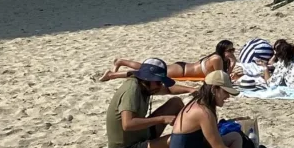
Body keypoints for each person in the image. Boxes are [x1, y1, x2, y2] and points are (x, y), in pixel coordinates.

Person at [168, 71, 278, 148]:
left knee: (235, 137)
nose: (228, 96)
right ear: (214, 89)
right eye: (225, 92)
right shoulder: (203, 112)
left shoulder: (202, 104)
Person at [105, 59, 186, 148]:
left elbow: (168, 90)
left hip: (140, 135)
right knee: (174, 139)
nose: (159, 85)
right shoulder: (131, 90)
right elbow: (127, 124)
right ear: (148, 79)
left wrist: (192, 90)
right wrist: (162, 119)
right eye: (158, 82)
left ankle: (191, 134)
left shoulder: (144, 86)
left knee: (176, 103)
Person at [101, 40, 240, 83]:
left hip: (182, 67)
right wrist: (232, 64)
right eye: (230, 50)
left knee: (147, 68)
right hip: (181, 71)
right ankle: (112, 74)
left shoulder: (218, 58)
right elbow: (221, 78)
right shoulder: (216, 58)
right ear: (223, 51)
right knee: (145, 72)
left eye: (233, 50)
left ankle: (121, 61)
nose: (232, 52)